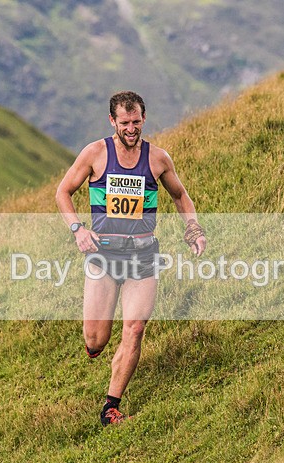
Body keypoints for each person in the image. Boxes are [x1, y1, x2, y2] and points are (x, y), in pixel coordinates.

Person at [55, 90, 206, 426]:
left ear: (144, 118)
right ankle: (97, 348)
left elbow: (181, 196)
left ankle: (111, 406)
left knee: (135, 328)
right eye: (124, 123)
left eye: (136, 121)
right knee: (95, 339)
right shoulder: (95, 154)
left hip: (143, 255)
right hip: (103, 255)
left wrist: (193, 230)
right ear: (113, 121)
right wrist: (78, 229)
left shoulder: (157, 159)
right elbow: (63, 192)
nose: (131, 128)